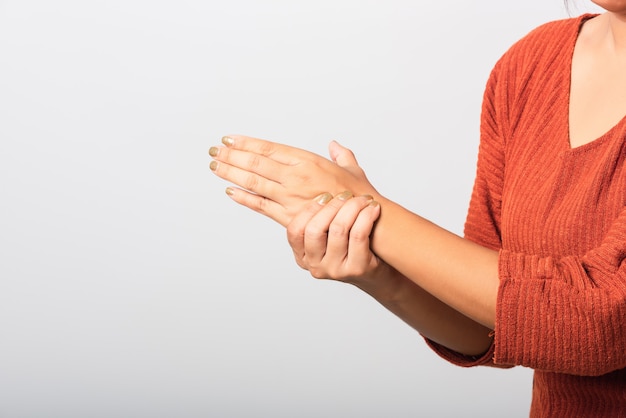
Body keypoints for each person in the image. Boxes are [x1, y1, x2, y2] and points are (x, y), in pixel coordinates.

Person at [208, 2, 626, 417]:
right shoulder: (529, 64)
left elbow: (599, 321)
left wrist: (376, 213)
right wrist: (378, 268)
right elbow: (498, 321)